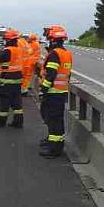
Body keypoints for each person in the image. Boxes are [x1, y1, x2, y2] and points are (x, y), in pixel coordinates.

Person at [39, 27, 73, 157]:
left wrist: (43, 90)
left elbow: (51, 75)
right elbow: (67, 74)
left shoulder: (54, 54)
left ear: (52, 40)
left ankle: (55, 148)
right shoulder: (66, 53)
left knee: (54, 120)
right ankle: (52, 142)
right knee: (53, 118)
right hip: (61, 91)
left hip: (53, 93)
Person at [0, 29, 24, 128]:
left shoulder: (8, 51)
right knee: (16, 104)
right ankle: (18, 122)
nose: (5, 41)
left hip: (6, 81)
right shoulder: (18, 50)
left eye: (6, 40)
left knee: (3, 102)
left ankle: (0, 122)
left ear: (9, 40)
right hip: (17, 81)